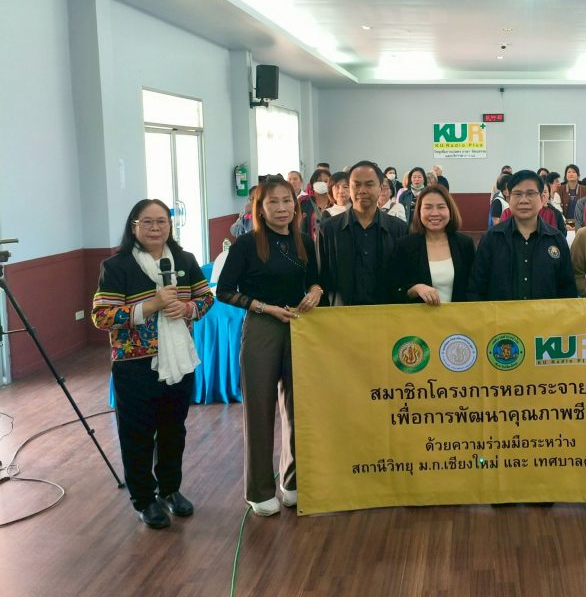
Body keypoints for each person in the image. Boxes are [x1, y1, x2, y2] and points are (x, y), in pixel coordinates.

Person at [92, 199, 214, 529]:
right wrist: (150, 306)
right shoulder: (116, 266)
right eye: (147, 222)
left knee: (174, 431)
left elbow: (206, 298)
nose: (155, 228)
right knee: (137, 435)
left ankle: (170, 489)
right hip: (134, 365)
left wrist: (187, 309)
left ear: (170, 226)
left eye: (161, 221)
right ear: (134, 227)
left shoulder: (185, 260)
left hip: (179, 360)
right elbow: (101, 316)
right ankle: (144, 499)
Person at [217, 176, 322, 516]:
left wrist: (316, 291)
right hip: (262, 325)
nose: (281, 208)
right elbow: (224, 290)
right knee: (259, 409)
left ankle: (293, 482)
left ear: (296, 205)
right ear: (260, 209)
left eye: (287, 201)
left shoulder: (304, 241)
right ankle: (259, 490)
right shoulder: (247, 244)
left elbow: (316, 280)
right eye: (273, 202)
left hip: (298, 326)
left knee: (298, 406)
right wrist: (264, 307)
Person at [467, 170, 576, 301]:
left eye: (530, 194)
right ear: (508, 199)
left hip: (545, 315)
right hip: (501, 315)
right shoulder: (491, 239)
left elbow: (567, 290)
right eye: (517, 194)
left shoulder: (556, 239)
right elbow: (476, 288)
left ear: (542, 199)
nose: (524, 200)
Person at [318, 161, 409, 306]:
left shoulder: (399, 229)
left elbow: (404, 277)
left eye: (369, 184)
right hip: (342, 313)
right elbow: (321, 277)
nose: (362, 190)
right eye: (356, 185)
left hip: (387, 313)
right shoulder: (328, 229)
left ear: (380, 188)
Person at [392, 185, 475, 304]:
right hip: (418, 315)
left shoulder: (465, 244)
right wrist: (415, 289)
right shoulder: (404, 246)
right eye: (428, 207)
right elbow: (395, 290)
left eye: (441, 207)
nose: (435, 213)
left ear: (450, 211)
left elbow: (474, 287)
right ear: (419, 211)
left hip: (458, 315)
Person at [500, 179, 567, 235]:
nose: (541, 195)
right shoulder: (507, 212)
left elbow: (556, 235)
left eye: (545, 192)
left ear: (549, 194)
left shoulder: (551, 213)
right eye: (518, 194)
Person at [299, 168, 332, 239]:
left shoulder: (335, 203)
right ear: (312, 184)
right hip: (308, 243)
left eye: (326, 181)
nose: (323, 183)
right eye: (319, 181)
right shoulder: (303, 202)